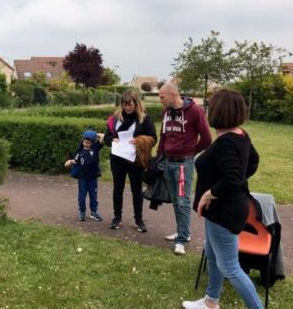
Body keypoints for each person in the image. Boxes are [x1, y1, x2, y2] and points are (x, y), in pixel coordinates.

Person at [182, 89, 280, 309]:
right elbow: (252, 163)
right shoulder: (240, 135)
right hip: (223, 209)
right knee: (212, 255)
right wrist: (228, 188)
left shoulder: (226, 142)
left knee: (229, 266)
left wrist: (209, 195)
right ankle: (211, 302)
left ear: (218, 111)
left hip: (225, 211)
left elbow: (234, 177)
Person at [158, 83, 212, 255]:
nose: (160, 100)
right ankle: (182, 232)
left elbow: (207, 137)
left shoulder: (195, 111)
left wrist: (191, 151)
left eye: (162, 97)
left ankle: (182, 239)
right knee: (175, 199)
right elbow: (163, 136)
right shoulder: (166, 112)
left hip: (183, 164)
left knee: (182, 200)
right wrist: (160, 156)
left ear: (173, 94)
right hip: (168, 162)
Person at [104, 90, 157, 231]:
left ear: (136, 103)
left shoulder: (144, 119)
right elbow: (106, 138)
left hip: (135, 160)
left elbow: (153, 138)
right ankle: (117, 217)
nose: (127, 107)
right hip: (117, 158)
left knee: (137, 190)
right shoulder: (115, 119)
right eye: (125, 105)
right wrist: (112, 139)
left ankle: (139, 220)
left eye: (130, 104)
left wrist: (139, 140)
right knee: (118, 188)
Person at [64, 130, 104, 221]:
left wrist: (94, 134)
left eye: (89, 142)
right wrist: (69, 162)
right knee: (82, 196)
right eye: (85, 142)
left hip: (93, 178)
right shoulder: (79, 152)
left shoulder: (95, 148)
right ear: (82, 142)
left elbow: (103, 137)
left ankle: (94, 212)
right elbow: (74, 161)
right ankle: (82, 212)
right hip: (82, 179)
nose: (86, 144)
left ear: (92, 142)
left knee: (93, 196)